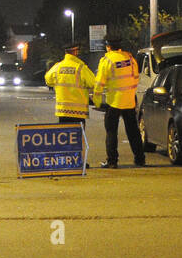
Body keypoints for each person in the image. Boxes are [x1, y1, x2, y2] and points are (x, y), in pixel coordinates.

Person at [93, 34, 144, 168]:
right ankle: (140, 158)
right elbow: (136, 77)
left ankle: (112, 161)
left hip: (114, 102)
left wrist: (96, 99)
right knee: (133, 131)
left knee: (111, 131)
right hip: (129, 101)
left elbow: (99, 82)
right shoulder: (130, 58)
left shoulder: (107, 60)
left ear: (108, 46)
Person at [44, 42, 97, 124]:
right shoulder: (80, 68)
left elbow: (48, 81)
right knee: (78, 135)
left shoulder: (57, 67)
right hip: (78, 112)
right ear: (76, 52)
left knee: (64, 135)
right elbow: (92, 83)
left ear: (66, 52)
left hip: (63, 111)